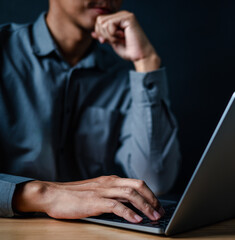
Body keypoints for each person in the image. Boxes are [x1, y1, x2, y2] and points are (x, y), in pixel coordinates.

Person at [0, 0, 181, 223]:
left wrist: (145, 61)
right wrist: (43, 195)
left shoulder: (123, 77)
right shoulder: (4, 51)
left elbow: (157, 181)